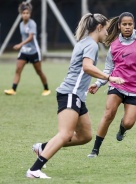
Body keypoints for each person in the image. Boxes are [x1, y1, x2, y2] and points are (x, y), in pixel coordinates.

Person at [25, 13, 124, 179]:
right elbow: (87, 67)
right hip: (70, 93)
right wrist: (108, 77)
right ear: (99, 28)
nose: (107, 34)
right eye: (106, 30)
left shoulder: (85, 42)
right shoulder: (91, 45)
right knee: (65, 134)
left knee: (85, 136)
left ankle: (42, 147)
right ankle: (34, 169)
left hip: (77, 95)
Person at [87, 12, 136, 158]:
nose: (127, 27)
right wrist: (98, 83)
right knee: (108, 114)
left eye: (130, 24)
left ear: (134, 25)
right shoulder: (114, 45)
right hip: (117, 85)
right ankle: (95, 149)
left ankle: (122, 129)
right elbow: (108, 69)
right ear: (119, 26)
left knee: (128, 123)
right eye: (124, 24)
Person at [4, 2, 51, 96]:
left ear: (30, 14)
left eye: (27, 13)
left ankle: (46, 89)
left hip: (34, 51)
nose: (25, 15)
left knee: (39, 71)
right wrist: (22, 46)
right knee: (18, 69)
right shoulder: (21, 24)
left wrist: (20, 44)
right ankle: (13, 89)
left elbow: (30, 38)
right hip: (24, 51)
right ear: (21, 14)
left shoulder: (32, 23)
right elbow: (23, 36)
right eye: (24, 13)